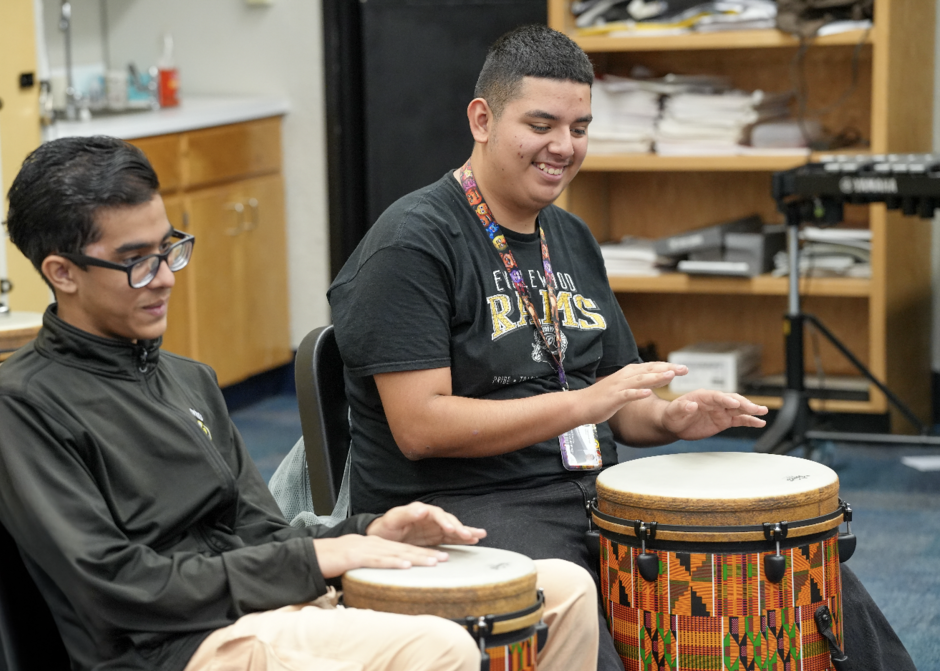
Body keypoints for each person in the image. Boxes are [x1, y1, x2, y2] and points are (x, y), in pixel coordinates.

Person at [328, 24, 917, 671]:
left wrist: (669, 415)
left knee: (800, 572)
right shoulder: (413, 242)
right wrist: (585, 403)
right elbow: (421, 425)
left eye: (579, 128)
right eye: (542, 124)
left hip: (591, 494)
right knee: (593, 623)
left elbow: (621, 401)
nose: (563, 146)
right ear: (482, 119)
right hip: (465, 511)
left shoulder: (570, 236)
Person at [0, 136, 599, 671]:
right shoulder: (22, 408)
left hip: (261, 608)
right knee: (435, 649)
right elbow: (118, 589)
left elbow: (261, 533)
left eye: (168, 248)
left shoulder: (188, 380)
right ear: (62, 272)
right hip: (168, 648)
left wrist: (365, 531)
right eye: (134, 262)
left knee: (562, 591)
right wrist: (315, 559)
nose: (164, 277)